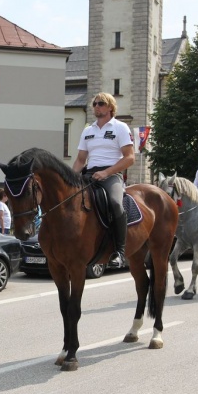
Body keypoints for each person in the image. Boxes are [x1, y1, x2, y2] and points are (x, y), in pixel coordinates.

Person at [72, 92, 134, 268]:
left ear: (110, 107)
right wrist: (70, 178)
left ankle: (119, 252)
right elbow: (80, 160)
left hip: (111, 175)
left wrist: (107, 172)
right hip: (89, 174)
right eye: (94, 104)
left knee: (115, 203)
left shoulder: (120, 127)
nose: (96, 107)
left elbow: (129, 158)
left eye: (100, 103)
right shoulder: (87, 131)